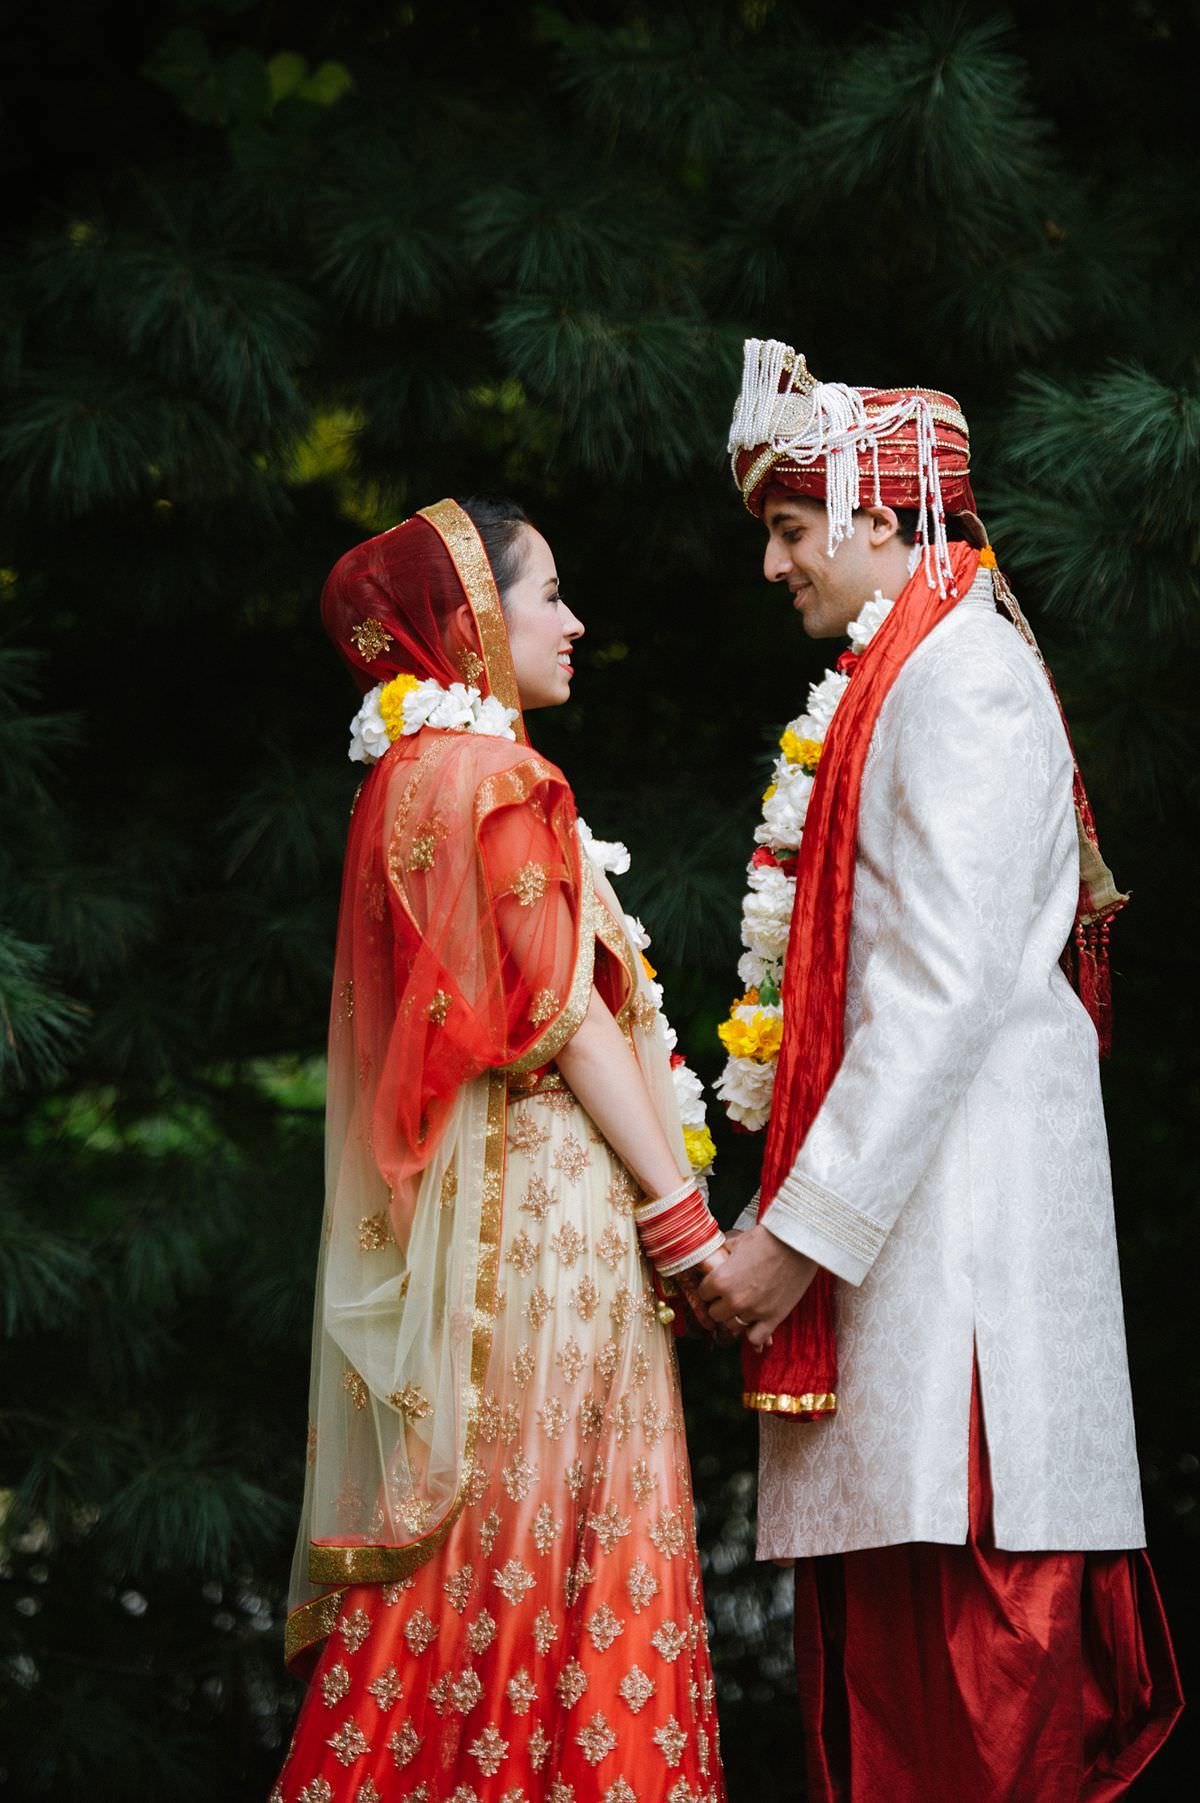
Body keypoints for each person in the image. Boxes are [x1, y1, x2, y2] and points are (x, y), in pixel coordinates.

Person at [701, 341, 1183, 1801]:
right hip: (921, 1306)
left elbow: (936, 992)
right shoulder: (908, 676)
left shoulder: (959, 680)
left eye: (793, 531)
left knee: (973, 1709)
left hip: (970, 1326)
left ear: (884, 508)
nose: (777, 569)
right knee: (902, 1707)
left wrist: (790, 1241)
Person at [270, 497, 728, 1803]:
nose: (576, 623)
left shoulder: (406, 778)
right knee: (567, 1543)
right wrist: (681, 1210)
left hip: (477, 1241)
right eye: (550, 596)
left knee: (480, 1552)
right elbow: (566, 1014)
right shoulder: (494, 778)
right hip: (548, 1225)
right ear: (473, 621)